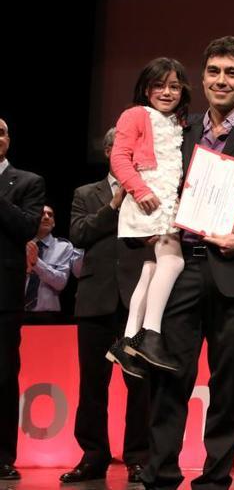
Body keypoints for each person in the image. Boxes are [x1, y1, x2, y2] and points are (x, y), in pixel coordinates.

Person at [140, 36, 234, 490]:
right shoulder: (179, 130)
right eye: (214, 71)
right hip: (182, 267)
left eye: (231, 73)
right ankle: (161, 475)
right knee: (169, 378)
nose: (220, 80)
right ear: (203, 77)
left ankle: (215, 479)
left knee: (228, 384)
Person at [61, 127, 152, 483]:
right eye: (120, 147)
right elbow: (80, 234)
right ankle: (94, 455)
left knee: (140, 384)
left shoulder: (149, 192)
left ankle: (138, 457)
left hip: (137, 302)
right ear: (109, 152)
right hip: (96, 300)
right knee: (93, 385)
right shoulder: (87, 193)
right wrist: (114, 204)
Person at [108, 57, 191, 374]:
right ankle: (151, 335)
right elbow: (119, 157)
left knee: (152, 267)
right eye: (159, 85)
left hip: (162, 201)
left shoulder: (173, 124)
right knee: (174, 261)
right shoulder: (135, 114)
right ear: (145, 88)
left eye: (174, 86)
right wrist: (139, 190)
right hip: (149, 201)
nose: (167, 92)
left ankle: (127, 342)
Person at [0, 117, 46, 481]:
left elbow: (25, 228)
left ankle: (2, 456)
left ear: (8, 140)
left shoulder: (27, 182)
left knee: (2, 375)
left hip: (3, 295)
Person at [23, 204, 81, 313]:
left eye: (50, 215)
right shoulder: (18, 244)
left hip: (49, 316)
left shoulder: (63, 246)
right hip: (15, 312)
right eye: (42, 214)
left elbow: (60, 283)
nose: (46, 217)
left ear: (53, 223)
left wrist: (36, 263)